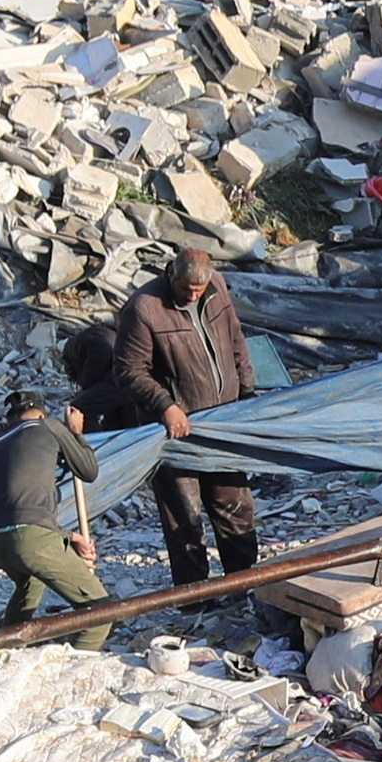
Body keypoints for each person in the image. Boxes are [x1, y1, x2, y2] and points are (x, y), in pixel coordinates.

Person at [114, 241, 262, 599]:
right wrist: (165, 404)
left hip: (223, 421)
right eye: (185, 289)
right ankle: (194, 599)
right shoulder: (145, 308)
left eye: (199, 289)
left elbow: (235, 339)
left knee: (235, 507)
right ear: (170, 275)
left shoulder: (217, 289)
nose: (193, 295)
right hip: (174, 432)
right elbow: (128, 370)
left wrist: (246, 390)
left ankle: (244, 586)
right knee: (185, 518)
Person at [0, 395, 100, 626]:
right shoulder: (49, 426)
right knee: (101, 612)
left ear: (9, 421)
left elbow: (18, 507)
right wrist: (75, 431)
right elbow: (89, 471)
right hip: (32, 538)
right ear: (42, 414)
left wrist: (70, 537)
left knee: (30, 584)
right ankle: (78, 658)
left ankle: (4, 640)